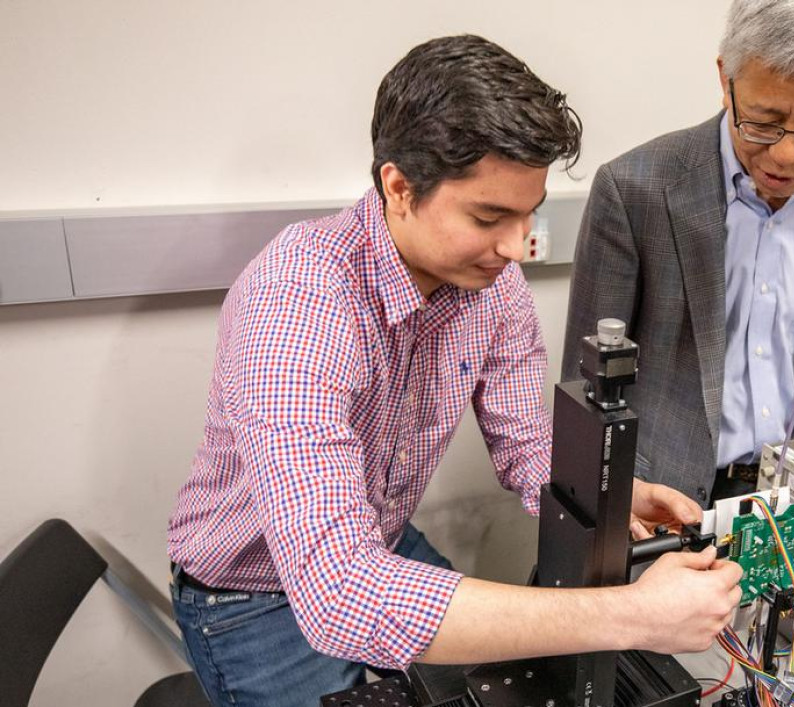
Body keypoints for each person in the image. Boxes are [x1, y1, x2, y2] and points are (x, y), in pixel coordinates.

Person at [167, 35, 742, 707]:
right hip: (253, 596)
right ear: (399, 187)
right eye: (490, 216)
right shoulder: (298, 306)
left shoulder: (490, 283)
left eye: (528, 213)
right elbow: (341, 594)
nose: (514, 245)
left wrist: (616, 493)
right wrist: (634, 613)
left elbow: (529, 446)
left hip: (377, 540)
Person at [563, 0, 794, 506]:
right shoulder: (635, 188)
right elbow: (586, 388)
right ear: (725, 78)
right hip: (660, 498)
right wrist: (611, 503)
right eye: (763, 121)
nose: (786, 155)